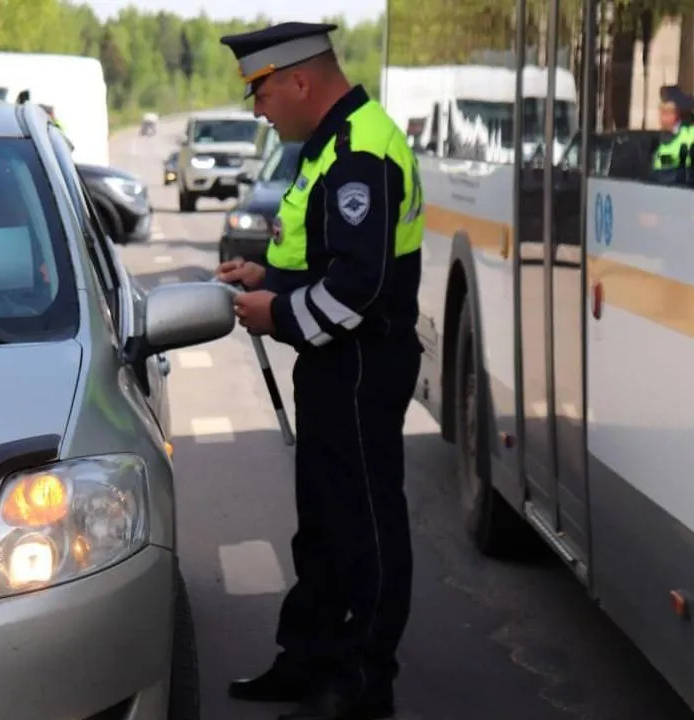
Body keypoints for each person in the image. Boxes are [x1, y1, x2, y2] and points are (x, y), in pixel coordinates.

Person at [216, 21, 424, 720]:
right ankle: (307, 663)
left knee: (364, 528)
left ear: (299, 80)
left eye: (262, 92)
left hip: (362, 365)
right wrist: (267, 275)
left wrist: (279, 314)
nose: (258, 110)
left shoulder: (362, 150)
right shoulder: (330, 143)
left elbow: (361, 285)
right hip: (335, 363)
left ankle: (365, 684)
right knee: (324, 527)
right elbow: (327, 261)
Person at [651, 84, 694, 172]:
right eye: (661, 112)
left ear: (679, 113)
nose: (662, 117)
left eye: (667, 112)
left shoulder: (693, 131)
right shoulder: (662, 138)